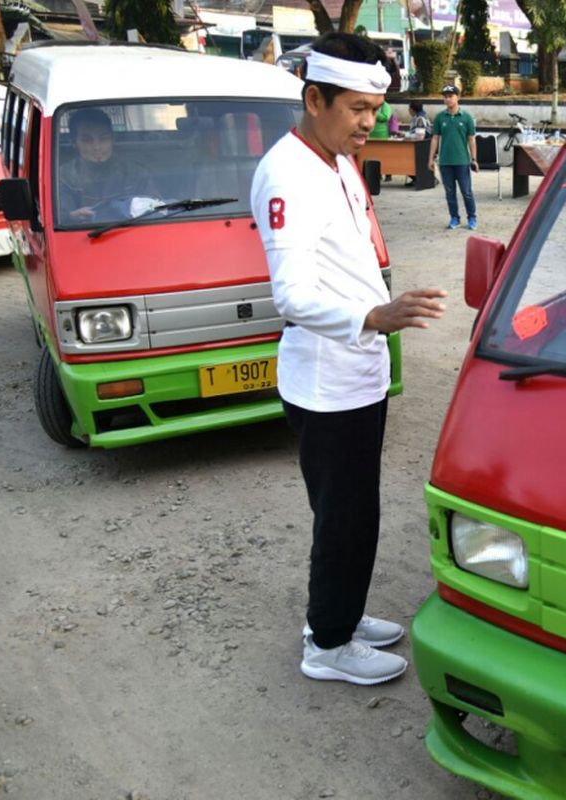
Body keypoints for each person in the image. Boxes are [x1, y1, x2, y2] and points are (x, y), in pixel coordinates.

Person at [249, 32, 448, 686]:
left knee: (354, 510)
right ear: (314, 98)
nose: (372, 123)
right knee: (344, 516)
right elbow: (294, 296)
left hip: (356, 374)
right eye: (358, 108)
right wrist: (374, 316)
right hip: (325, 383)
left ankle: (344, 612)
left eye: (376, 109)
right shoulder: (287, 172)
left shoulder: (333, 159)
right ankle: (327, 644)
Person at [57, 108, 153, 224]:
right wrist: (72, 217)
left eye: (103, 139)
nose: (97, 147)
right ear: (74, 142)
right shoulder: (63, 177)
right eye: (87, 140)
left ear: (112, 139)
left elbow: (156, 208)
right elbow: (59, 219)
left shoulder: (134, 172)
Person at [428, 84, 478, 230]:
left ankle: (472, 218)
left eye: (451, 96)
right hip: (445, 162)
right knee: (450, 192)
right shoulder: (440, 118)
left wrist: (474, 159)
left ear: (458, 97)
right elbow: (435, 139)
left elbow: (471, 139)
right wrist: (431, 158)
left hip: (462, 161)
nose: (448, 99)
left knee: (466, 192)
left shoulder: (467, 117)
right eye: (445, 97)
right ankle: (454, 218)